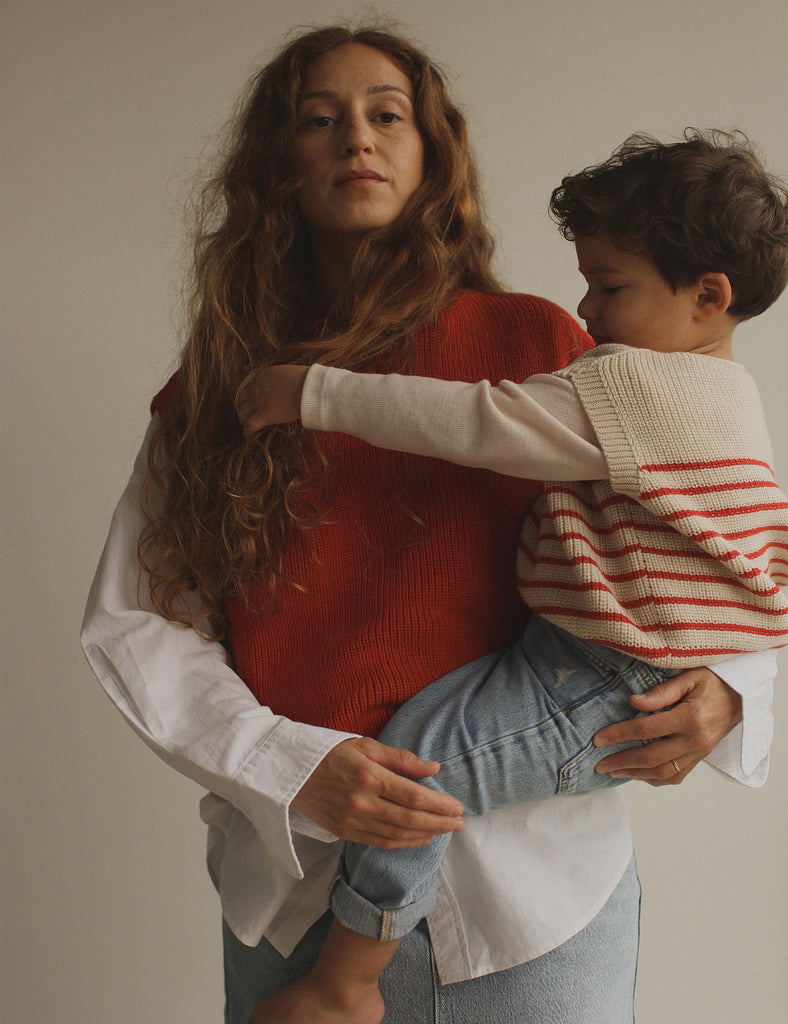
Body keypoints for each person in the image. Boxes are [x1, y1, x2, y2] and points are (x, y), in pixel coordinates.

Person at [80, 26, 776, 1024]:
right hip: (302, 901)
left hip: (537, 904)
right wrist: (295, 765)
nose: (353, 137)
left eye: (386, 114)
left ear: (433, 151)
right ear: (275, 164)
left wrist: (732, 692)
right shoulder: (216, 397)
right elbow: (137, 623)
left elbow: (705, 517)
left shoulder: (548, 348)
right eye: (317, 119)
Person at [238, 129, 788, 1023]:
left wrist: (311, 394)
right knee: (424, 757)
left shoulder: (637, 389)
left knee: (420, 767)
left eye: (610, 287)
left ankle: (345, 981)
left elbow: (476, 420)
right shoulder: (730, 399)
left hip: (604, 680)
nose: (587, 308)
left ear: (708, 296)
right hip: (595, 664)